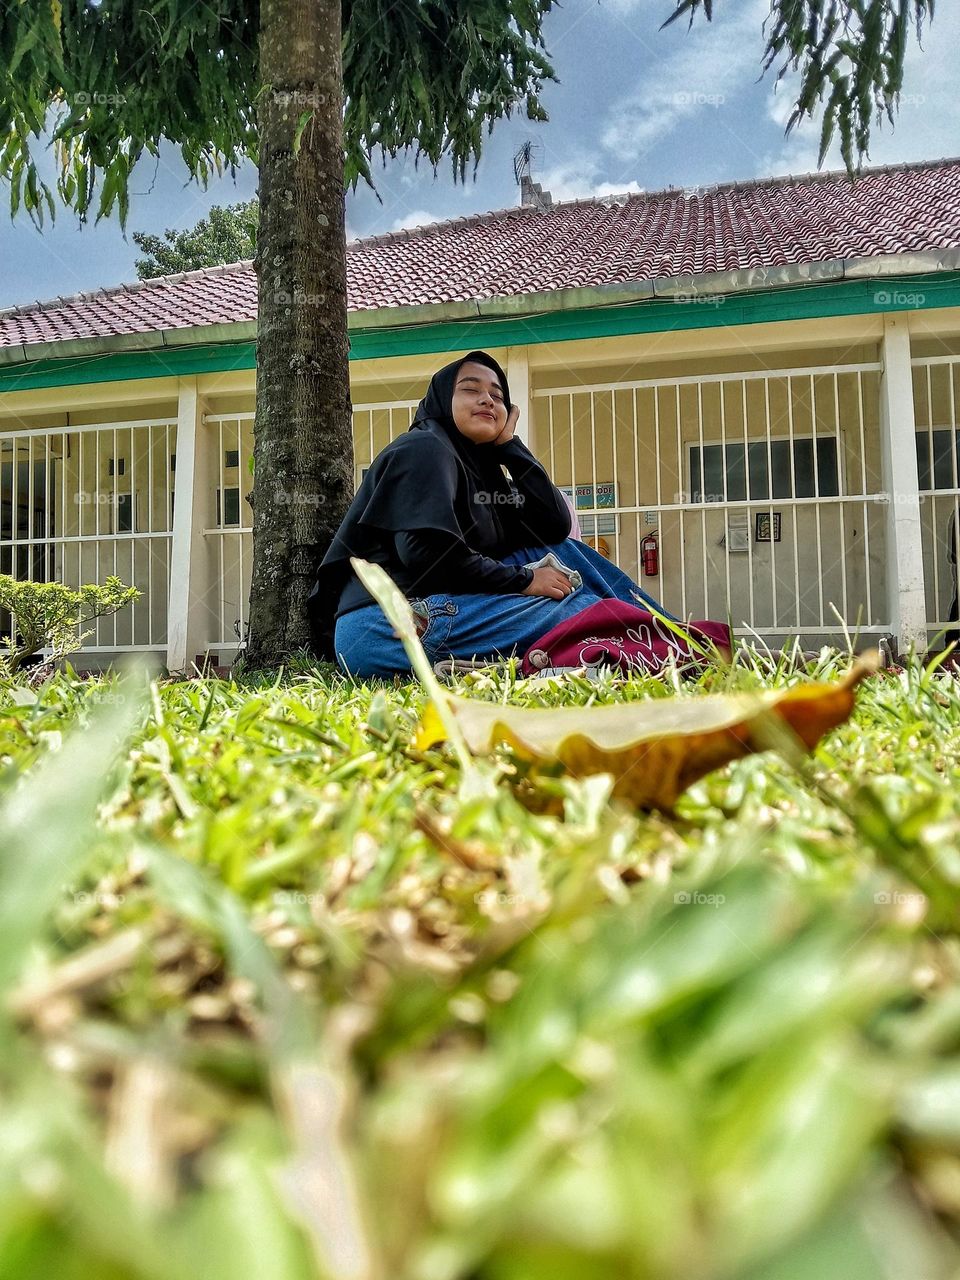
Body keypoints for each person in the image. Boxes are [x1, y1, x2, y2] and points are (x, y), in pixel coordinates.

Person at [307, 350, 668, 678]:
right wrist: (525, 581)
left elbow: (554, 527)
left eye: (498, 396)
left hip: (428, 613)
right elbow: (426, 553)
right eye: (470, 389)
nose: (487, 399)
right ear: (442, 399)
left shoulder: (479, 473)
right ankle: (662, 646)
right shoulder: (424, 449)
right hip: (384, 627)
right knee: (581, 612)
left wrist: (510, 446)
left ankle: (665, 630)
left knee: (569, 557)